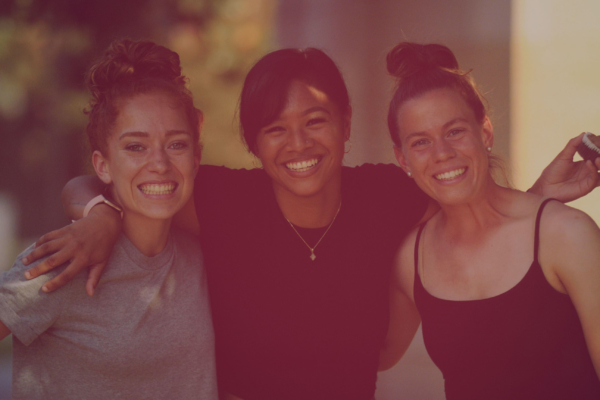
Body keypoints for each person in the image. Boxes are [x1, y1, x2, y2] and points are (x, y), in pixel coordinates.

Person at [22, 47, 599, 400]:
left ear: (347, 124)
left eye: (317, 120)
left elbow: (471, 208)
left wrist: (536, 198)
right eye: (274, 128)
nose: (298, 144)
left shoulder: (390, 194)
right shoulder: (222, 200)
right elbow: (104, 182)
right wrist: (98, 216)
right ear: (252, 142)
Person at [380, 42, 600, 399]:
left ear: (485, 130)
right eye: (421, 142)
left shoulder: (567, 235)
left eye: (454, 132)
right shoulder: (411, 258)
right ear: (402, 159)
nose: (442, 154)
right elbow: (374, 356)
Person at [0, 39, 217, 399]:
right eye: (135, 146)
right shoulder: (66, 261)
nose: (160, 163)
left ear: (196, 157)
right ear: (102, 165)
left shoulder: (205, 259)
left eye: (176, 144)